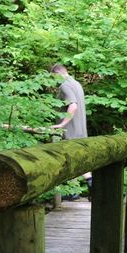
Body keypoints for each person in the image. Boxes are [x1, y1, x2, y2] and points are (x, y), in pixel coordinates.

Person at [50, 63, 91, 197]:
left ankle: (73, 192)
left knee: (70, 160)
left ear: (58, 74)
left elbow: (73, 105)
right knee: (80, 160)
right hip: (81, 130)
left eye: (53, 77)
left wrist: (62, 124)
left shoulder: (65, 86)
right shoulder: (77, 84)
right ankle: (90, 187)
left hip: (70, 130)